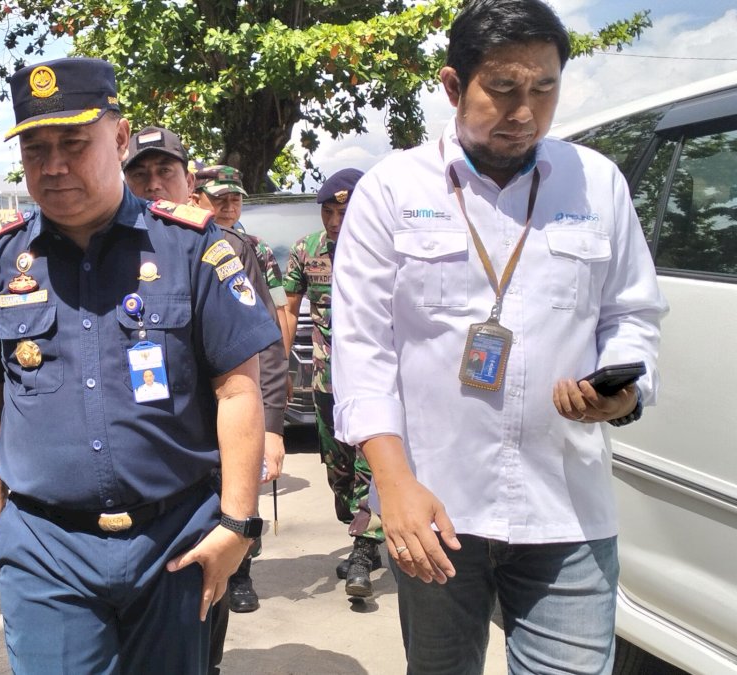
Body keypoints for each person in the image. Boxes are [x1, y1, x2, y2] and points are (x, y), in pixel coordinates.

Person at [330, 1, 668, 672]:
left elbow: (632, 314)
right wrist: (391, 482)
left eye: (544, 88)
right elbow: (363, 348)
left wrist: (622, 392)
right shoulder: (392, 191)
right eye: (504, 89)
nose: (525, 111)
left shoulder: (595, 183)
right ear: (454, 86)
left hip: (566, 509)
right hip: (434, 508)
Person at [0, 57, 280, 674]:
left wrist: (238, 523)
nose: (54, 165)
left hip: (175, 541)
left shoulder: (194, 248)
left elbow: (238, 391)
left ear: (118, 137)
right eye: (36, 148)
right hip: (45, 550)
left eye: (73, 142)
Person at [122, 126, 288, 673]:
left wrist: (273, 428)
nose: (152, 185)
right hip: (140, 455)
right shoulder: (102, 246)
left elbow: (260, 348)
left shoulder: (224, 247)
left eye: (164, 172)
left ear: (188, 181)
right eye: (138, 173)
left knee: (202, 580)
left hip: (211, 446)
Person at [283, 168, 385, 598]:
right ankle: (360, 526)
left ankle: (364, 550)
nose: (335, 221)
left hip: (375, 382)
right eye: (328, 211)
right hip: (325, 381)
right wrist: (279, 372)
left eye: (344, 211)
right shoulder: (308, 250)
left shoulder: (385, 249)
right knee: (338, 472)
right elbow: (289, 310)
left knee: (370, 466)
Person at [190, 165, 289, 337]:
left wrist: (283, 360)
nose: (229, 207)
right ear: (196, 200)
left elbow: (279, 309)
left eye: (236, 199)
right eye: (219, 199)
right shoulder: (187, 245)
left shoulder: (257, 248)